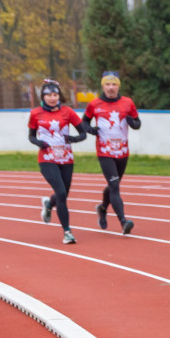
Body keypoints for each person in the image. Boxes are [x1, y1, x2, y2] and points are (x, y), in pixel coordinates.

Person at [28, 79, 88, 244]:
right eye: (49, 95)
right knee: (61, 193)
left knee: (62, 195)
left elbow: (83, 133)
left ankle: (48, 204)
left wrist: (73, 139)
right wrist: (39, 142)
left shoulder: (68, 112)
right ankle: (67, 232)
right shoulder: (35, 114)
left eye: (55, 95)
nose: (52, 98)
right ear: (43, 97)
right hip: (47, 159)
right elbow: (31, 137)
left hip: (66, 158)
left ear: (59, 96)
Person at [81, 71, 140, 235]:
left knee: (114, 185)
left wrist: (132, 123)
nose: (111, 87)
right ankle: (123, 222)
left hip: (122, 151)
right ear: (103, 85)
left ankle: (102, 208)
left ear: (118, 86)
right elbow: (83, 122)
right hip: (104, 151)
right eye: (108, 84)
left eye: (114, 84)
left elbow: (137, 123)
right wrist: (91, 130)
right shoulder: (94, 104)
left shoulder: (127, 102)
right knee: (114, 186)